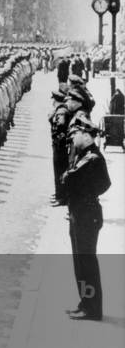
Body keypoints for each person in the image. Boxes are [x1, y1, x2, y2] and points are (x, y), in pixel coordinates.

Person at [61, 116, 111, 321]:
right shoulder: (85, 155)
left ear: (85, 135)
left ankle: (92, 309)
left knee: (86, 263)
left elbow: (70, 179)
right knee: (80, 263)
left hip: (86, 215)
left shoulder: (92, 159)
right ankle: (85, 303)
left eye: (75, 135)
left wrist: (86, 196)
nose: (73, 139)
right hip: (80, 213)